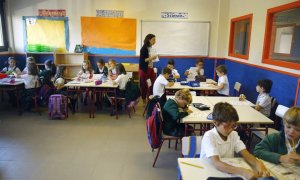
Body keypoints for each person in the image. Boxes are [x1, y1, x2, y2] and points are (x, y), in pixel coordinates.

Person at [200, 102, 270, 179]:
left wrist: (258, 163)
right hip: (209, 172)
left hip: (228, 171)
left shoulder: (233, 134)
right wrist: (243, 172)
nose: (230, 129)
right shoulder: (209, 136)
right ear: (215, 123)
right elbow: (217, 163)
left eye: (233, 126)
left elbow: (246, 154)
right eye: (226, 126)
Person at [139, 34, 158, 105]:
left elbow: (151, 59)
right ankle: (144, 99)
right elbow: (143, 60)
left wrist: (156, 57)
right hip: (144, 70)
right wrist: (152, 58)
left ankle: (150, 98)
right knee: (144, 85)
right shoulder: (143, 49)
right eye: (153, 39)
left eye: (155, 40)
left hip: (150, 68)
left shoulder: (152, 48)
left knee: (153, 83)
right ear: (149, 40)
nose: (155, 41)